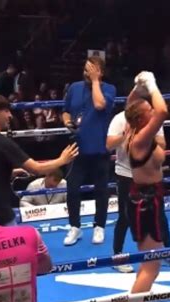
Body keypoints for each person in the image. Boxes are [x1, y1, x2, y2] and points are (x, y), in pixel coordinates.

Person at [0, 93, 78, 226]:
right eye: (6, 111)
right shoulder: (1, 142)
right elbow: (37, 169)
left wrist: (13, 172)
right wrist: (62, 160)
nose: (10, 116)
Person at [106, 103, 170, 274]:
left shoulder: (153, 123)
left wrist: (148, 134)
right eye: (148, 109)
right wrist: (128, 134)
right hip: (126, 174)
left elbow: (162, 144)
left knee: (159, 213)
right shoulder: (120, 119)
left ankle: (167, 250)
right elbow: (109, 144)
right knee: (124, 216)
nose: (152, 110)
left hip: (148, 177)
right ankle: (117, 255)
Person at [122, 71, 168, 302]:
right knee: (152, 265)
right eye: (148, 109)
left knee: (148, 262)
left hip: (145, 199)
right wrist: (151, 84)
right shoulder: (140, 138)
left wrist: (137, 87)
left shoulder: (132, 129)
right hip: (147, 203)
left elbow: (130, 106)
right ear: (142, 118)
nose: (153, 110)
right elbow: (163, 112)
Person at [62, 56, 116, 246]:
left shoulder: (109, 89)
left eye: (91, 70)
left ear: (100, 72)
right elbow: (65, 110)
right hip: (77, 147)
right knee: (72, 189)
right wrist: (67, 122)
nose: (86, 73)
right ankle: (74, 227)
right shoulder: (74, 88)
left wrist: (95, 81)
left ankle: (99, 226)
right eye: (85, 70)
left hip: (100, 148)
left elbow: (100, 105)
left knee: (101, 190)